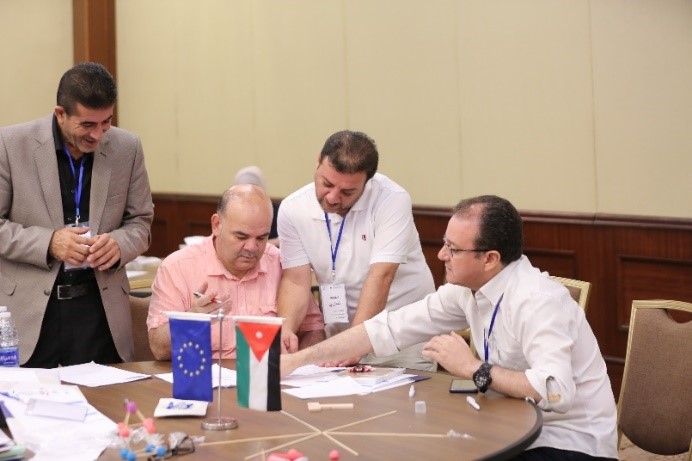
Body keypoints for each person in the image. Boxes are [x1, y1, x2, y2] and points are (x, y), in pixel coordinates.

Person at [281, 195, 618, 460]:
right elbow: (387, 327)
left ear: (490, 259)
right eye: (444, 243)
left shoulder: (538, 300)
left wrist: (473, 368)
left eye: (453, 249)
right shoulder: (464, 291)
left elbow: (556, 391)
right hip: (508, 428)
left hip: (569, 443)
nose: (441, 255)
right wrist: (298, 362)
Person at [0, 62, 154, 367]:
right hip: (32, 311)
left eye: (106, 122)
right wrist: (49, 243)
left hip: (100, 309)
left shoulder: (128, 148)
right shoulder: (10, 145)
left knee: (103, 407)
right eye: (87, 125)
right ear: (60, 113)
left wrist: (119, 244)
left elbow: (141, 222)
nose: (98, 135)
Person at [277, 130, 437, 371]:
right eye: (326, 184)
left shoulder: (391, 200)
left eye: (347, 192)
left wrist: (354, 344)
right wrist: (286, 328)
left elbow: (381, 276)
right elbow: (296, 281)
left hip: (402, 339)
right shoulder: (293, 208)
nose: (332, 197)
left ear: (367, 181)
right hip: (344, 339)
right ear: (318, 160)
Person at [147, 184, 324, 359]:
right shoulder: (177, 268)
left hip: (267, 379)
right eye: (241, 237)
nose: (252, 247)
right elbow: (159, 349)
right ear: (216, 224)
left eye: (262, 237)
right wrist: (192, 320)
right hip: (205, 381)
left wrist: (300, 360)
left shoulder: (281, 264)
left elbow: (313, 329)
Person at [233, 165, 280, 246]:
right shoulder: (232, 212)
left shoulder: (276, 211)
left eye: (254, 187)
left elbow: (282, 240)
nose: (249, 193)